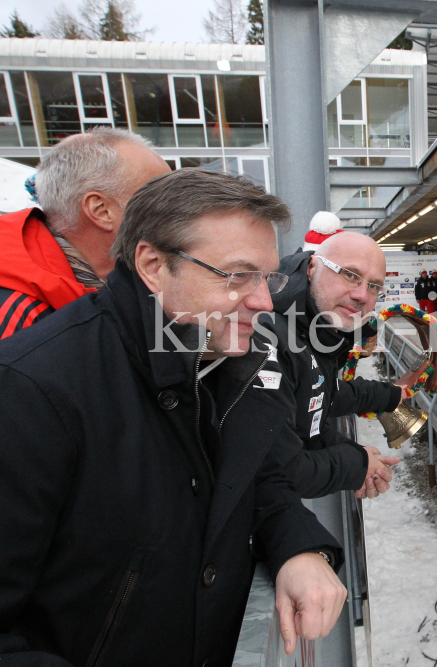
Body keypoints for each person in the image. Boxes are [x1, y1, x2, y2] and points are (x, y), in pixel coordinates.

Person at [0, 170, 346, 665]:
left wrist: (299, 546)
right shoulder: (30, 391)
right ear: (154, 266)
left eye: (268, 278)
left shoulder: (226, 358)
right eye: (237, 275)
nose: (264, 302)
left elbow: (254, 476)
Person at [262, 231, 410, 500]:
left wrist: (358, 455)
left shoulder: (317, 331)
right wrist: (355, 464)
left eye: (374, 286)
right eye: (350, 274)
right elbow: (271, 472)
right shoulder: (270, 338)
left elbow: (313, 406)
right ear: (312, 267)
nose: (362, 294)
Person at [0, 127, 170, 339]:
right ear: (101, 210)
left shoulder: (123, 278)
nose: (180, 212)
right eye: (161, 200)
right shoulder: (18, 320)